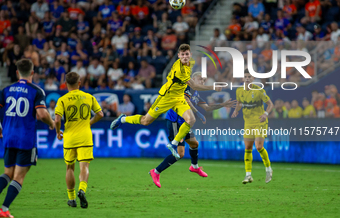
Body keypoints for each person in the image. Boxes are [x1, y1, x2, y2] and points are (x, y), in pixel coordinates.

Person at [110, 44, 223, 159]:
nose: (184, 57)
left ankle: (173, 144)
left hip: (179, 97)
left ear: (190, 55)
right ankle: (123, 119)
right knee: (146, 121)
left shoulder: (191, 62)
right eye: (182, 54)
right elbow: (194, 86)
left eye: (187, 54)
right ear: (178, 56)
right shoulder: (180, 69)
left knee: (191, 119)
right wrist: (213, 87)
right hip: (166, 97)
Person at [149, 72, 236, 188]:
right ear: (193, 79)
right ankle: (156, 172)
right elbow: (186, 101)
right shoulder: (185, 86)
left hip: (184, 123)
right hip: (174, 121)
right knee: (180, 154)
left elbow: (208, 107)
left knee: (194, 144)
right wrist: (199, 113)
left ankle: (194, 167)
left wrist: (223, 104)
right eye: (200, 79)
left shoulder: (196, 94)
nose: (202, 82)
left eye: (204, 80)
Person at [0, 59, 55, 217]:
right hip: (25, 139)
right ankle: (4, 209)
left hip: (9, 137)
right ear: (32, 72)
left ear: (17, 73)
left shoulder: (6, 90)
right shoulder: (36, 91)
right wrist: (51, 123)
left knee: (7, 174)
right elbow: (43, 114)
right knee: (19, 176)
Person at [54, 72, 103, 208]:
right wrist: (89, 122)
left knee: (70, 167)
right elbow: (100, 114)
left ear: (66, 84)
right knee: (84, 166)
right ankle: (82, 189)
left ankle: (71, 199)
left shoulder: (62, 99)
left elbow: (57, 120)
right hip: (85, 136)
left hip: (69, 137)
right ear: (79, 83)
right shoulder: (89, 97)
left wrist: (58, 132)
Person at [231, 69, 274, 184]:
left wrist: (266, 113)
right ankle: (248, 175)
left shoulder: (259, 90)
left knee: (259, 147)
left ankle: (268, 169)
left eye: (249, 77)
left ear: (253, 79)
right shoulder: (239, 91)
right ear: (242, 78)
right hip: (248, 123)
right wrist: (236, 111)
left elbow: (270, 104)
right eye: (245, 76)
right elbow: (239, 103)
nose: (247, 78)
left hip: (260, 121)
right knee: (248, 148)